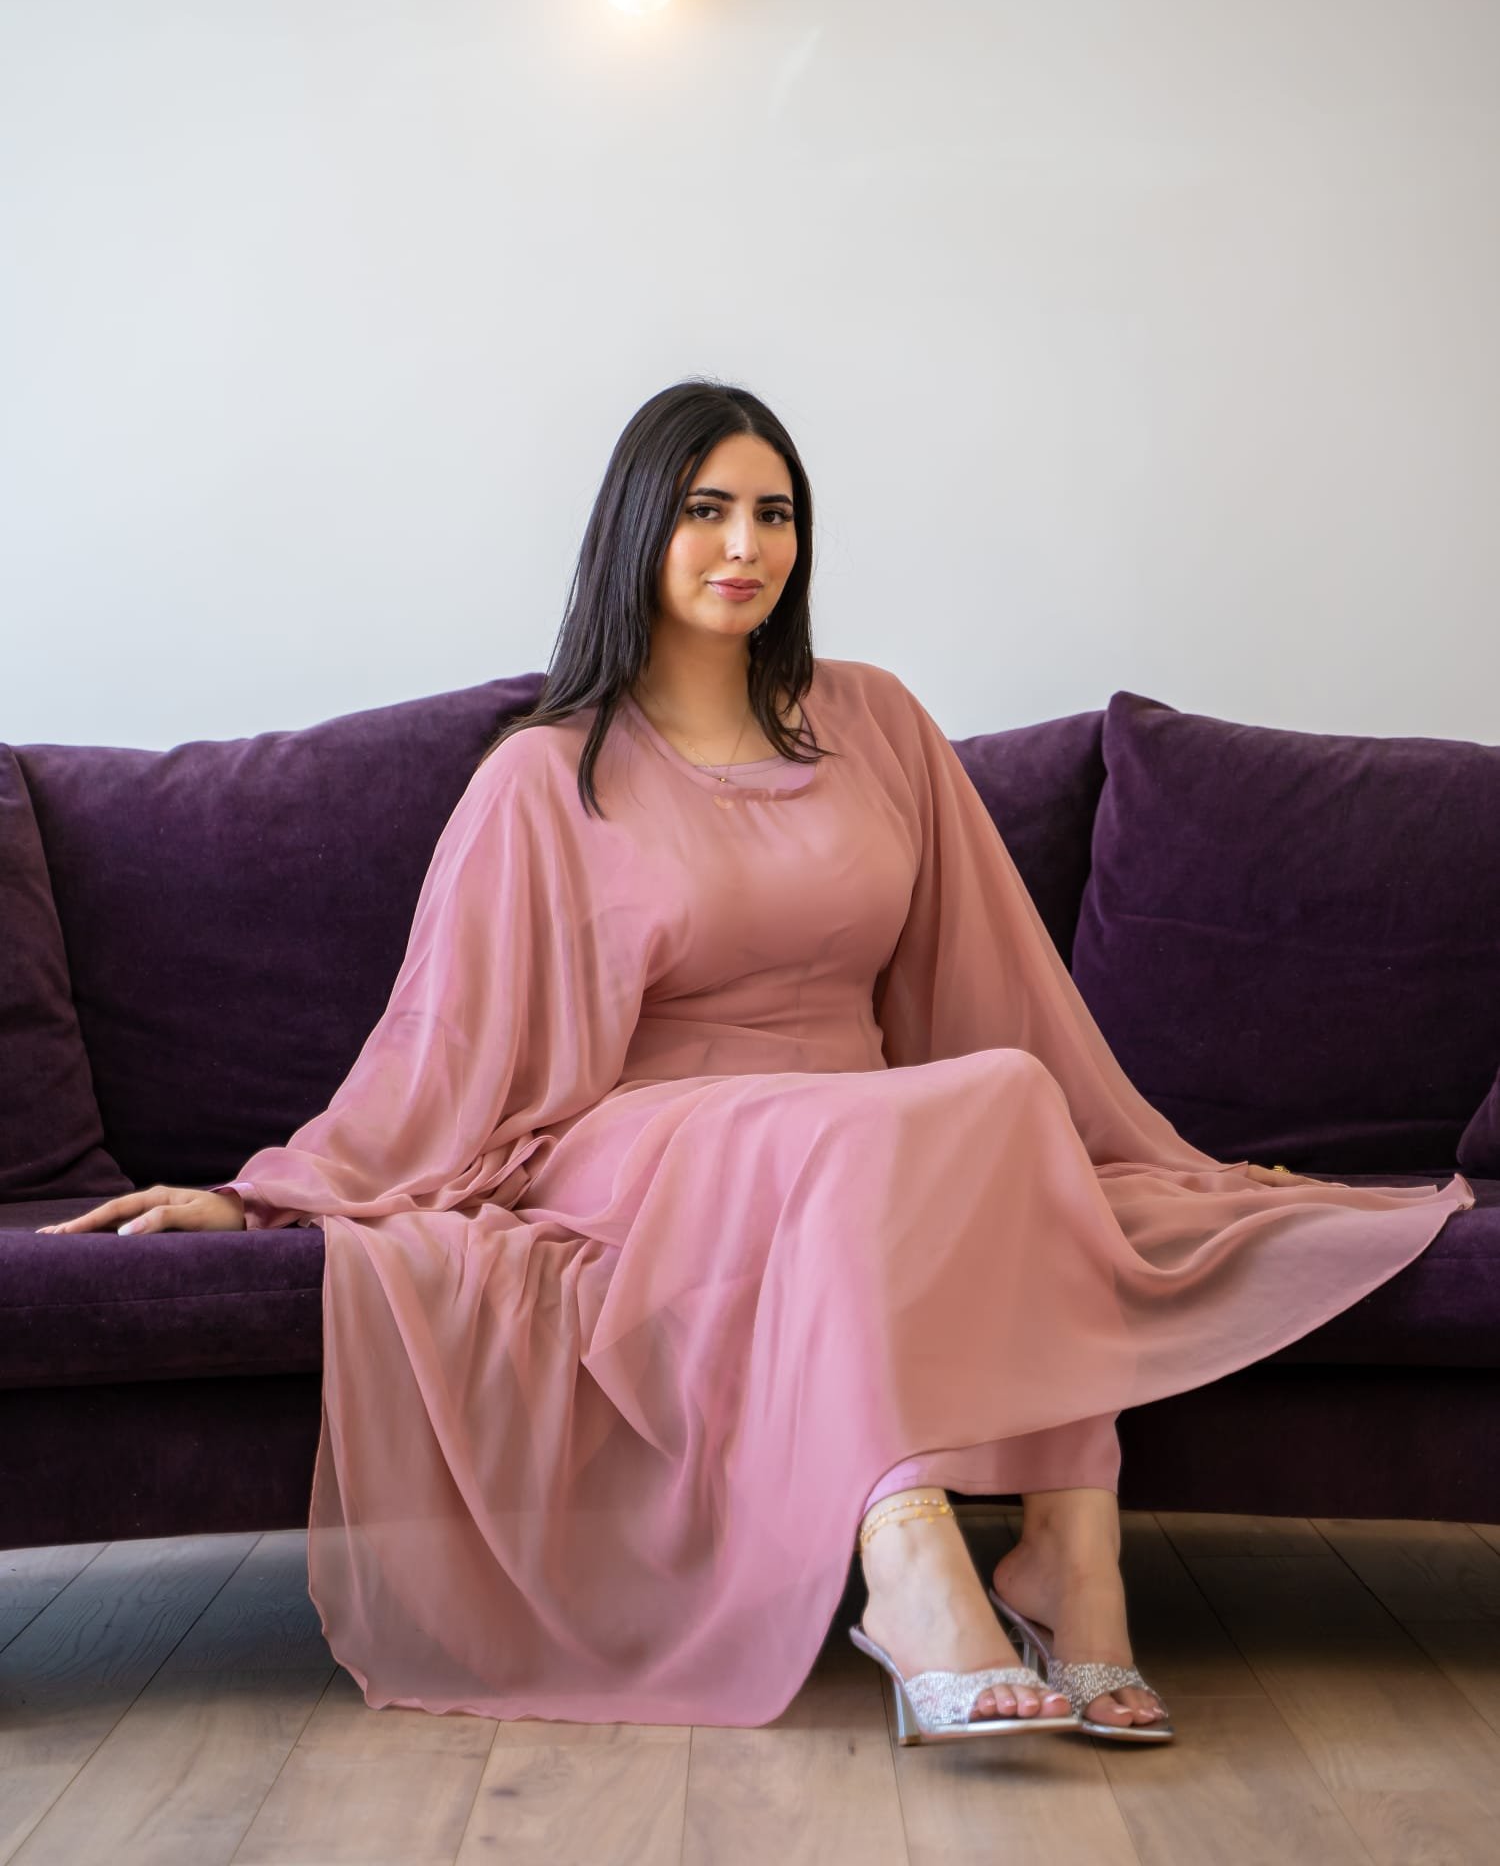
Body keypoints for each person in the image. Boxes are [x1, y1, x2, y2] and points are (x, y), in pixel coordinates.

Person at [41, 379, 1475, 1747]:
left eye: (774, 514)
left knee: (1008, 1096)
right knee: (874, 1135)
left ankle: (1068, 1556)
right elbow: (444, 1046)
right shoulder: (545, 775)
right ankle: (909, 1568)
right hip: (645, 1142)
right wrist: (261, 1198)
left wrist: (1137, 1155)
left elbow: (997, 989)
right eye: (706, 509)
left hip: (857, 1127)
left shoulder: (878, 722)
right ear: (637, 530)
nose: (746, 546)